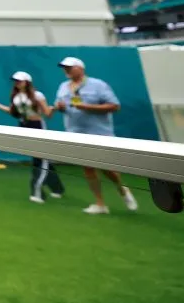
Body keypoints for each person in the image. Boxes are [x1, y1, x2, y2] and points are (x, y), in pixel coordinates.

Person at [53, 56, 138, 214]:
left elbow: (114, 106)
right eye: (64, 67)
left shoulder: (98, 85)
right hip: (75, 132)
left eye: (69, 67)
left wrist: (88, 107)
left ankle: (122, 190)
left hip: (99, 133)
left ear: (80, 68)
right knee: (88, 168)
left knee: (106, 167)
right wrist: (60, 107)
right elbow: (60, 105)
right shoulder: (63, 87)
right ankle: (100, 204)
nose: (66, 70)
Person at [0, 71, 65, 203]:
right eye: (15, 81)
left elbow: (47, 114)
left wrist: (55, 108)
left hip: (37, 126)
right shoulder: (16, 96)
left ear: (27, 82)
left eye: (19, 81)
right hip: (24, 126)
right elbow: (13, 112)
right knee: (40, 158)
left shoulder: (38, 95)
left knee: (40, 160)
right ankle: (57, 188)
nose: (17, 83)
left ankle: (36, 192)